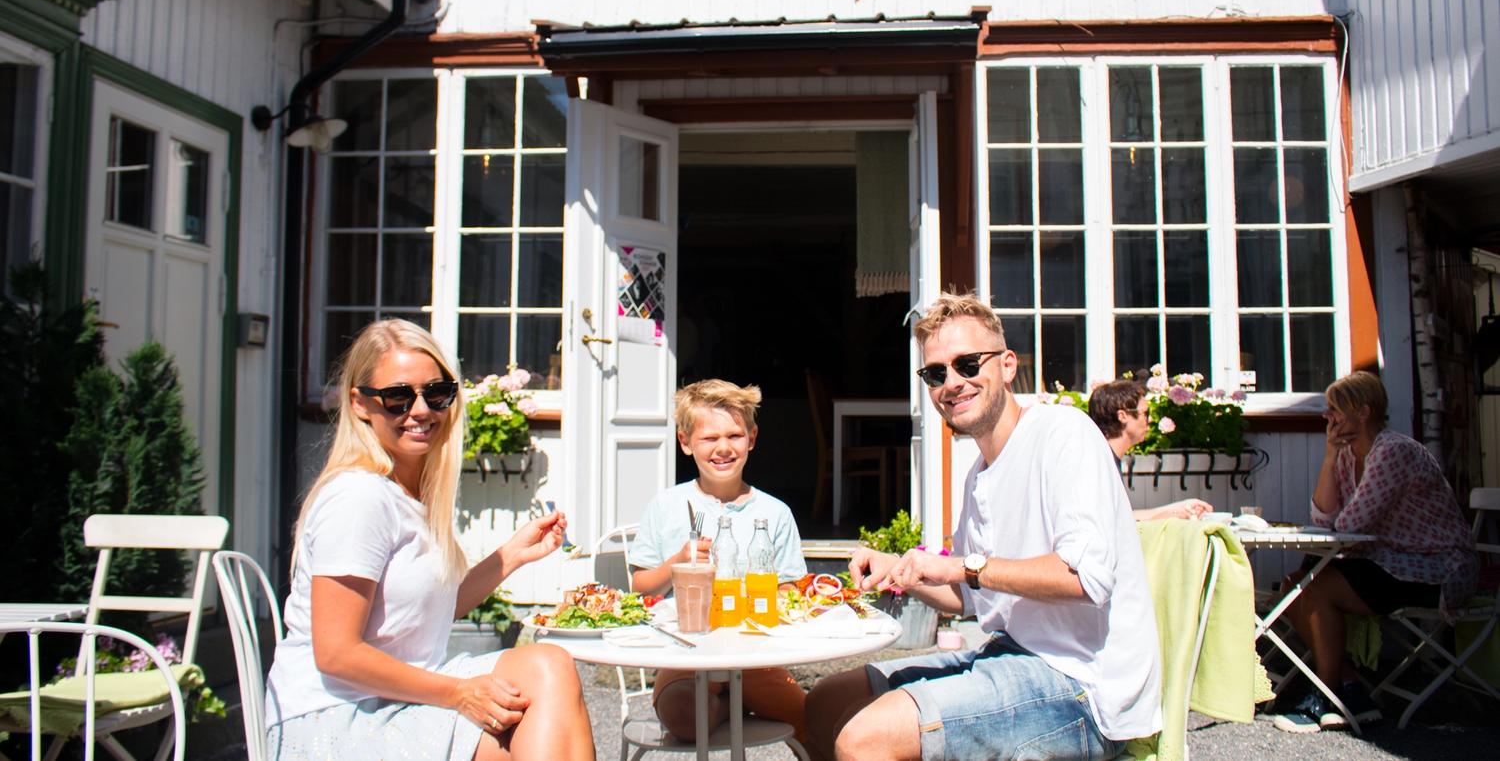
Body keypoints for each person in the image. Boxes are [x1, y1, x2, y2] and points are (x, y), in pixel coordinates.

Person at [806, 292, 1162, 760]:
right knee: (824, 702)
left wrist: (963, 567)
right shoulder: (978, 473)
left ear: (1008, 365)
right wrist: (904, 570)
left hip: (1083, 685)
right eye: (936, 373)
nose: (952, 383)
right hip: (1012, 656)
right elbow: (970, 597)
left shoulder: (1063, 433)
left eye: (968, 364)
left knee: (865, 737)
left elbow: (1085, 578)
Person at [264, 319, 594, 761]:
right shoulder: (358, 498)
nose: (420, 410)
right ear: (361, 404)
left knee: (547, 666)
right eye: (398, 397)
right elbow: (336, 654)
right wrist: (459, 692)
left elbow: (422, 616)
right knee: (536, 713)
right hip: (338, 719)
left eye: (436, 393)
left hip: (393, 699)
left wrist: (511, 556)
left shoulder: (406, 493)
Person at [1272, 370, 1477, 734]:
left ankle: (1325, 693)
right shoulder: (1350, 454)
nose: (1327, 416)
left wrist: (1336, 523)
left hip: (1434, 567)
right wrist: (1331, 454)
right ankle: (1350, 689)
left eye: (1335, 408)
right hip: (1387, 561)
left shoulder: (1394, 452)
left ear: (1362, 412)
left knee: (1316, 589)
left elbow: (1349, 526)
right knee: (1293, 586)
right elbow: (1323, 516)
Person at [629, 379, 809, 742]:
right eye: (709, 439)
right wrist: (678, 562)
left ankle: (737, 701)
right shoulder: (667, 506)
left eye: (734, 436)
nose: (723, 448)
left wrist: (769, 594)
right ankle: (732, 707)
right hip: (686, 654)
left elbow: (792, 588)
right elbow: (639, 587)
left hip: (757, 656)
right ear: (685, 442)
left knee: (813, 723)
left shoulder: (774, 512)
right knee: (684, 717)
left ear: (752, 438)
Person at [1088, 378, 1213, 521]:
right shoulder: (1098, 464)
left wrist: (1176, 510)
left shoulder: (1104, 457)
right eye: (1145, 414)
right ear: (1122, 416)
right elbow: (1111, 522)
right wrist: (1172, 512)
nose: (1151, 419)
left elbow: (1121, 519)